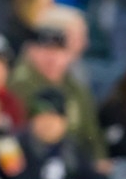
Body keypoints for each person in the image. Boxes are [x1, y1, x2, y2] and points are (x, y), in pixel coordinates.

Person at [8, 27, 106, 161]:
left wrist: (99, 158)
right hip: (35, 157)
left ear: (68, 56)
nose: (51, 58)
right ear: (31, 53)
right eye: (45, 50)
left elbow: (91, 132)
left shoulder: (76, 88)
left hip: (77, 158)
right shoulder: (19, 86)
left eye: (58, 51)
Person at [2, 89, 111, 179]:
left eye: (53, 117)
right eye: (41, 116)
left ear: (64, 121)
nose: (47, 122)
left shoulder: (72, 148)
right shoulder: (12, 145)